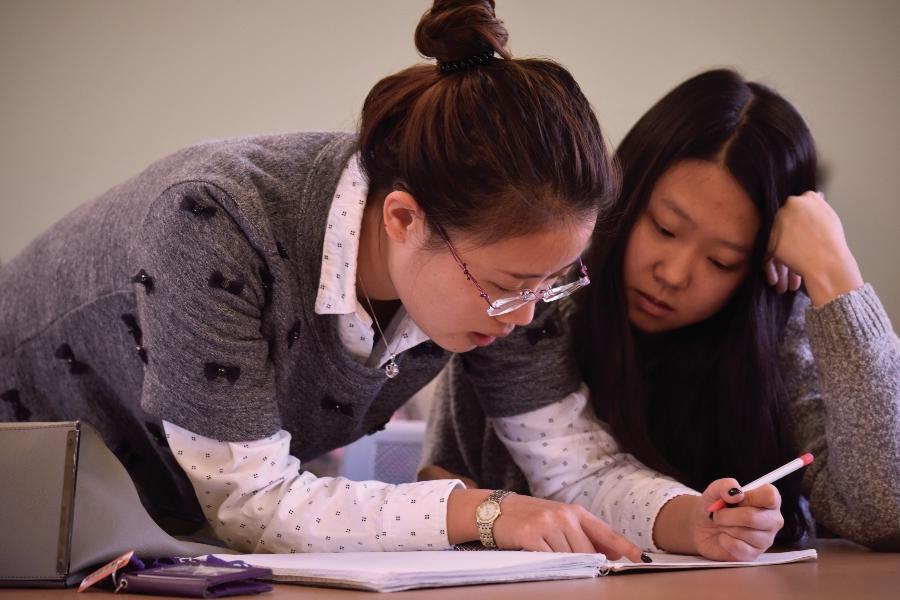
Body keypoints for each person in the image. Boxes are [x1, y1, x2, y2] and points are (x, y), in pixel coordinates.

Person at [0, 0, 649, 560]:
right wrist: (487, 513)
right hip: (24, 507)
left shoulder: (500, 266)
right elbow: (253, 505)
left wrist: (691, 518)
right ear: (403, 217)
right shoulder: (216, 219)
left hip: (142, 540)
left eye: (554, 284)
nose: (526, 317)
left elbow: (574, 465)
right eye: (513, 285)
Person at [420, 69, 900, 558]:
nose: (673, 274)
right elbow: (563, 478)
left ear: (757, 271)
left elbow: (885, 512)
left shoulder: (779, 332)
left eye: (722, 261)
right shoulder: (535, 298)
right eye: (666, 228)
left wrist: (838, 280)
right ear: (624, 195)